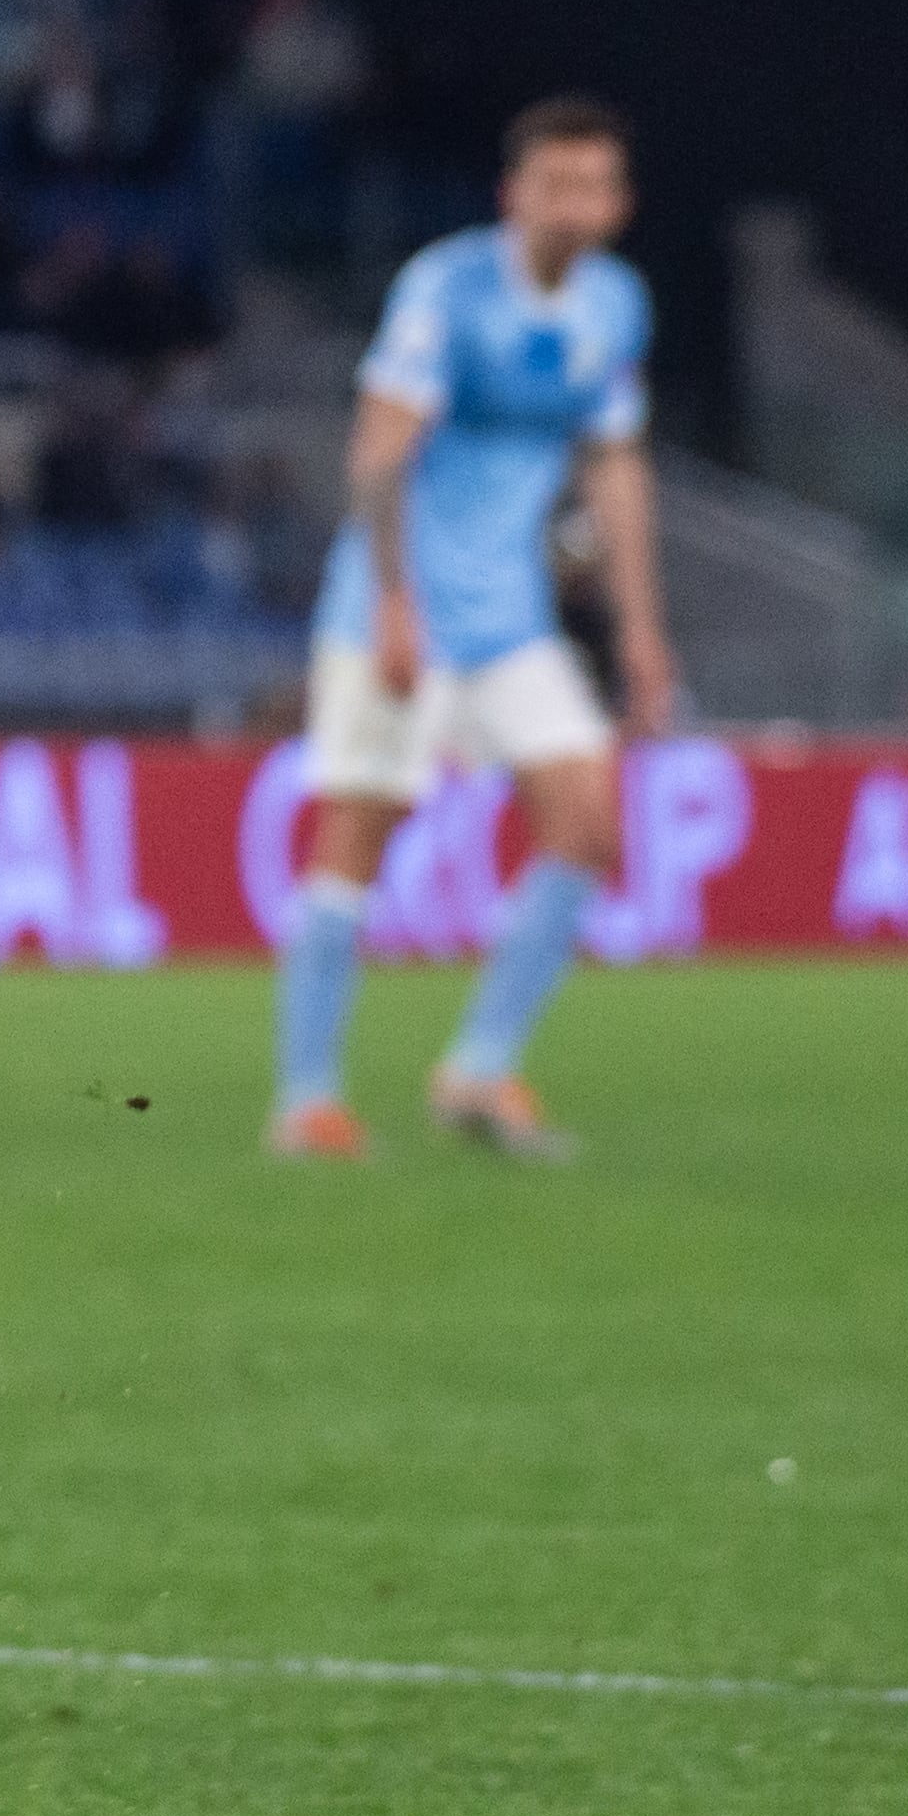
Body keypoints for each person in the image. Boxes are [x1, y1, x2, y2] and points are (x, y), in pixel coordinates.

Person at [268, 96, 674, 1163]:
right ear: (513, 195)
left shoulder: (614, 306)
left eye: (592, 185)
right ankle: (305, 1099)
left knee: (585, 821)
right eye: (553, 184)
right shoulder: (444, 290)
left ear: (619, 204)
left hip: (509, 617)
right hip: (394, 607)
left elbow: (615, 467)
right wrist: (394, 603)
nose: (572, 205)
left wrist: (639, 628)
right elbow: (377, 451)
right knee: (359, 832)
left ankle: (477, 1071)